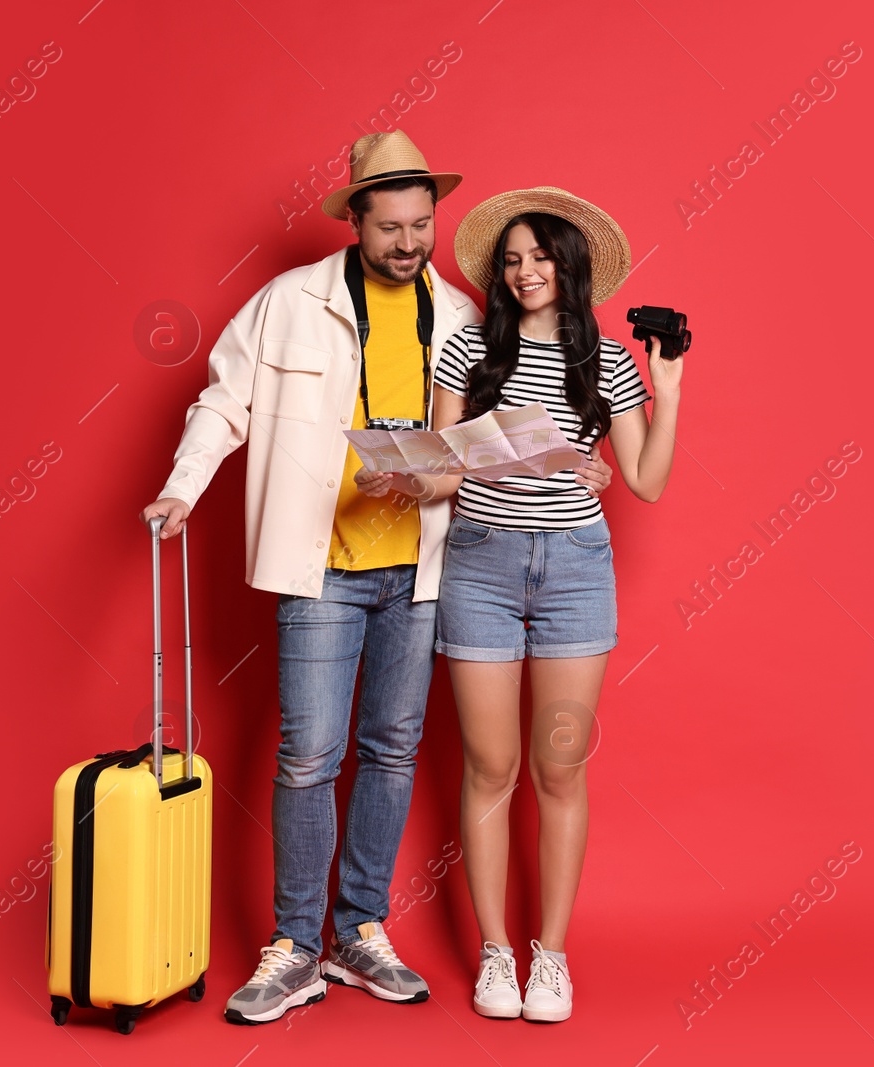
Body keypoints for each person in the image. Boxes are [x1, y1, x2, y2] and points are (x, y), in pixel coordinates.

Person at [140, 139, 613, 1026]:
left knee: (393, 752)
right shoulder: (290, 303)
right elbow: (223, 396)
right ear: (353, 222)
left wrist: (572, 465)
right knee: (309, 753)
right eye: (390, 227)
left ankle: (358, 928)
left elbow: (502, 436)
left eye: (422, 225)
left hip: (429, 569)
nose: (408, 243)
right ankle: (293, 946)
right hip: (320, 563)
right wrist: (181, 484)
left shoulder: (468, 315)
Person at [363, 186, 684, 1022]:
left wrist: (668, 383)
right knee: (490, 767)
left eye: (540, 256)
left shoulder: (609, 362)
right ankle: (497, 955)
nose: (524, 271)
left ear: (570, 265)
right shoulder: (466, 350)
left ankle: (552, 957)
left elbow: (644, 481)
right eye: (511, 260)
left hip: (576, 569)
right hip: (482, 568)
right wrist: (397, 471)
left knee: (558, 768)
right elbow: (442, 467)